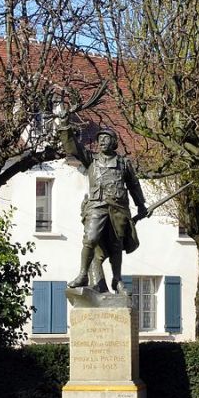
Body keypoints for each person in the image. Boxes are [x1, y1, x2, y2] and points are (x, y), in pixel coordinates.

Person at [59, 122, 148, 292]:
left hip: (118, 208)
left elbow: (133, 185)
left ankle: (117, 280)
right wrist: (65, 126)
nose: (102, 141)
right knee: (90, 239)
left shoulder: (123, 163)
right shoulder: (91, 159)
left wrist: (141, 205)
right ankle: (83, 274)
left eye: (106, 138)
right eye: (100, 138)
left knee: (116, 245)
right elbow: (73, 148)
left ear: (113, 141)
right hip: (96, 206)